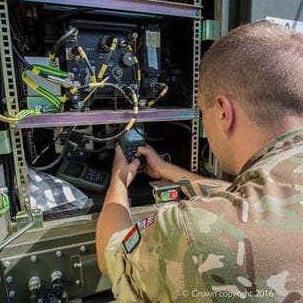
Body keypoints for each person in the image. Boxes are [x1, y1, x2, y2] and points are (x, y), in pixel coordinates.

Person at [96, 21, 303, 302]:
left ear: (222, 113)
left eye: (203, 114)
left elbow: (110, 254)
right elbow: (261, 196)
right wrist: (166, 170)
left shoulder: (192, 233)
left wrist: (119, 179)